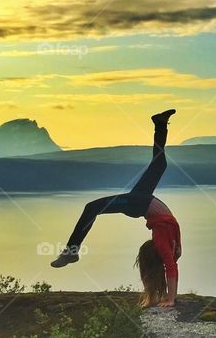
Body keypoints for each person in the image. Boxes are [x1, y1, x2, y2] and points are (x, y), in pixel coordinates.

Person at [50, 109, 182, 307]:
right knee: (159, 165)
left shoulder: (163, 244)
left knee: (92, 208)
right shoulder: (169, 247)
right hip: (143, 200)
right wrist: (170, 295)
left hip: (138, 203)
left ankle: (71, 251)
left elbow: (171, 267)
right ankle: (160, 123)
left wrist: (171, 299)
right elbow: (172, 263)